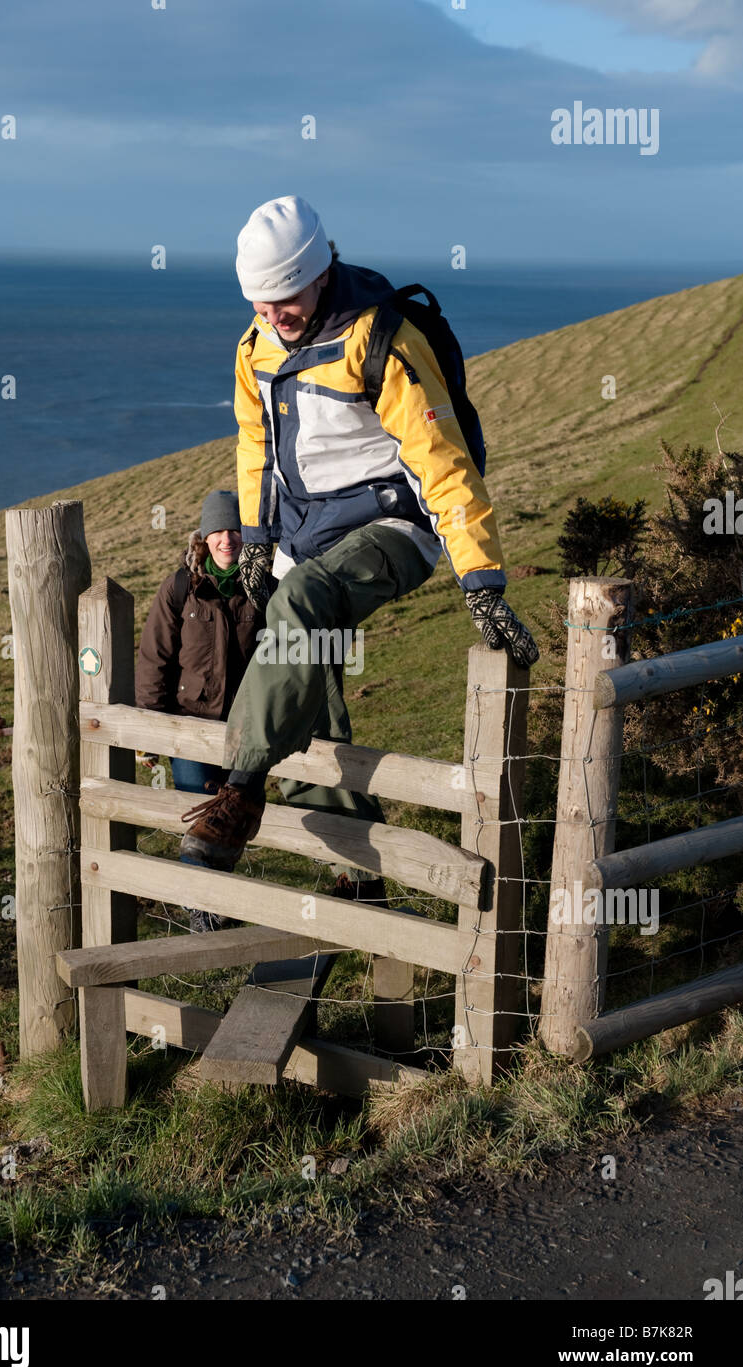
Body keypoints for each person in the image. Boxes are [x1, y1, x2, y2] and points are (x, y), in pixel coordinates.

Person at [179, 194, 539, 883]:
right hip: (304, 533)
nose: (271, 317)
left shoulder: (381, 340)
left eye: (283, 300)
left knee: (302, 606)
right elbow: (255, 445)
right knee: (307, 691)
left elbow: (443, 463)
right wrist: (256, 539)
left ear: (319, 273)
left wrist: (483, 583)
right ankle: (358, 878)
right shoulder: (254, 348)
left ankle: (240, 791)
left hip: (394, 525)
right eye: (257, 303)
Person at [135, 489, 263, 930]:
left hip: (245, 729)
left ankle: (215, 908)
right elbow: (155, 658)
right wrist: (150, 730)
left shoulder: (262, 587)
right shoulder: (180, 589)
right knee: (199, 822)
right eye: (218, 532)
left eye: (235, 530)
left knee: (230, 821)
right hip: (189, 727)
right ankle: (203, 910)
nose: (227, 539)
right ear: (203, 539)